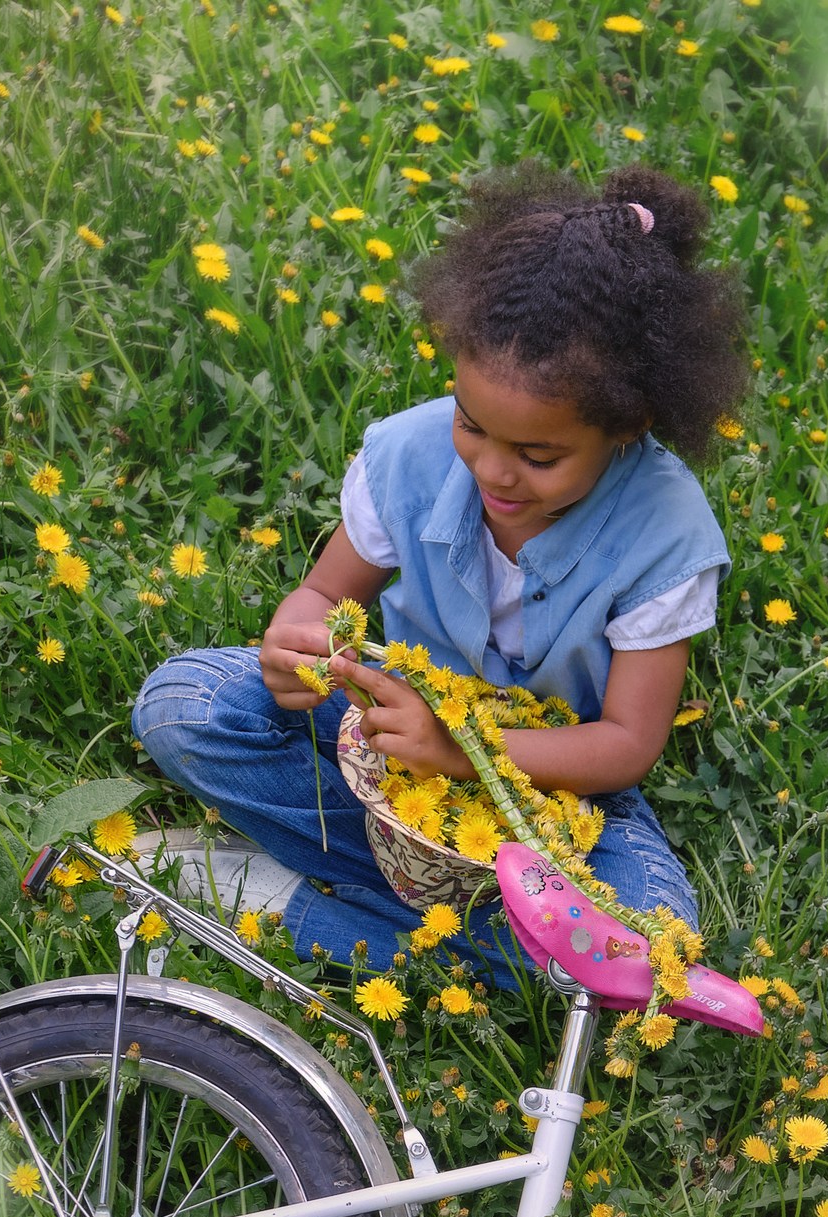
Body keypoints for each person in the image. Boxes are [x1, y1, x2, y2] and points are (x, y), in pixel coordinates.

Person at [130, 160, 749, 975]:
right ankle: (452, 918)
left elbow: (626, 745)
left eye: (538, 455)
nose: (493, 471)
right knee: (183, 703)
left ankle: (289, 901)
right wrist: (297, 640)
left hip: (560, 789)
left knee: (642, 946)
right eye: (471, 423)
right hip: (389, 727)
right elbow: (323, 592)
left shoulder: (664, 534)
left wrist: (459, 753)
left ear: (629, 425)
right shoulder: (411, 456)